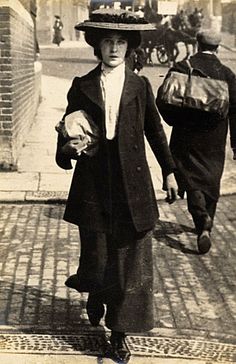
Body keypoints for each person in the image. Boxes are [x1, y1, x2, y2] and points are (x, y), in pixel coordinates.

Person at [56, 9, 178, 363]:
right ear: (97, 46)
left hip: (132, 185)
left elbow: (155, 131)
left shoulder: (140, 86)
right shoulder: (82, 85)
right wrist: (67, 149)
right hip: (94, 184)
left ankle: (119, 335)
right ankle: (95, 290)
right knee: (98, 259)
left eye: (120, 43)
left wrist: (169, 171)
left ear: (130, 48)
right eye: (107, 42)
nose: (113, 48)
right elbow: (67, 127)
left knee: (128, 264)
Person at [156, 29, 236, 255]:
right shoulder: (227, 73)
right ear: (218, 48)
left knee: (189, 177)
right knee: (210, 178)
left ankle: (201, 218)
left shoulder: (182, 67)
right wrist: (235, 143)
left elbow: (162, 99)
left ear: (197, 45)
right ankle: (206, 221)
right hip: (215, 138)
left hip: (185, 136)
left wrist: (175, 120)